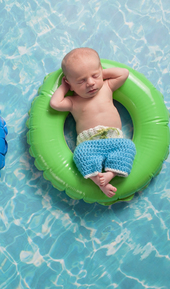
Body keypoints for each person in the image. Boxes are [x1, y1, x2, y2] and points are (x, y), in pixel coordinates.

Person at [50, 48, 136, 197]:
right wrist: (64, 87)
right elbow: (55, 104)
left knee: (128, 146)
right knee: (80, 154)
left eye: (94, 75)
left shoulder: (107, 87)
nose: (90, 83)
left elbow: (124, 73)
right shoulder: (73, 101)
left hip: (114, 139)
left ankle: (110, 175)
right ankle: (99, 182)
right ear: (70, 84)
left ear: (101, 71)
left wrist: (102, 75)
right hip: (89, 143)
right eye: (81, 81)